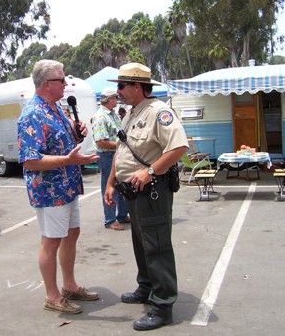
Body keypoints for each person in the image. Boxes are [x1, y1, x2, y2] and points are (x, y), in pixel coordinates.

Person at [104, 62, 188, 331]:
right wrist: (110, 182)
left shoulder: (159, 112)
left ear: (137, 87)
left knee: (157, 245)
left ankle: (163, 305)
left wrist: (151, 172)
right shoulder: (130, 114)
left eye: (121, 86)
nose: (118, 92)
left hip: (152, 190)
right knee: (141, 242)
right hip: (131, 191)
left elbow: (178, 147)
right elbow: (122, 152)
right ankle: (147, 286)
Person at [17, 59, 100, 315]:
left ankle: (70, 285)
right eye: (62, 80)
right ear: (46, 84)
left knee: (71, 234)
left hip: (67, 185)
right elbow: (30, 160)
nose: (66, 84)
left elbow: (62, 143)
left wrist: (77, 133)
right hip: (50, 190)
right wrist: (69, 160)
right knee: (51, 241)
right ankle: (52, 296)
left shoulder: (56, 108)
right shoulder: (33, 113)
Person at [92, 87, 129, 231]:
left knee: (120, 185)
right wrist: (121, 145)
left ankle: (122, 215)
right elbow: (101, 141)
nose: (117, 99)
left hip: (115, 153)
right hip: (107, 155)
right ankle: (110, 219)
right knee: (109, 186)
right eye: (115, 97)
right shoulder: (101, 116)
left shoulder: (112, 114)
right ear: (110, 99)